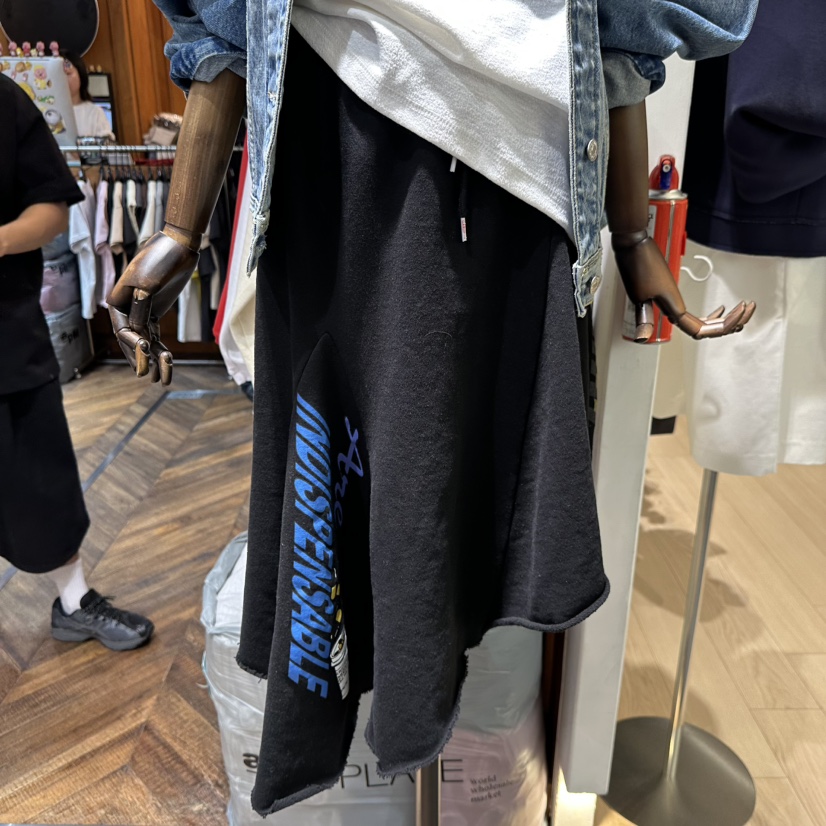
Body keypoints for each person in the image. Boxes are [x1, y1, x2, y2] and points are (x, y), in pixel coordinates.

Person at [110, 0, 758, 813]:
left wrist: (633, 238)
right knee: (346, 481)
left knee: (449, 495)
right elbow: (224, 32)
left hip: (509, 188)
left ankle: (422, 720)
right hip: (334, 160)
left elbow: (622, 35)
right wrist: (180, 227)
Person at [0, 73, 153, 651]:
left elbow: (51, 211)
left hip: (7, 336)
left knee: (41, 471)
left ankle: (74, 600)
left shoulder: (5, 103)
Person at [61, 49, 114, 140]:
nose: (63, 79)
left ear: (80, 74)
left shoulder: (95, 113)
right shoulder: (47, 113)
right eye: (58, 74)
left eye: (68, 73)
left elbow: (106, 144)